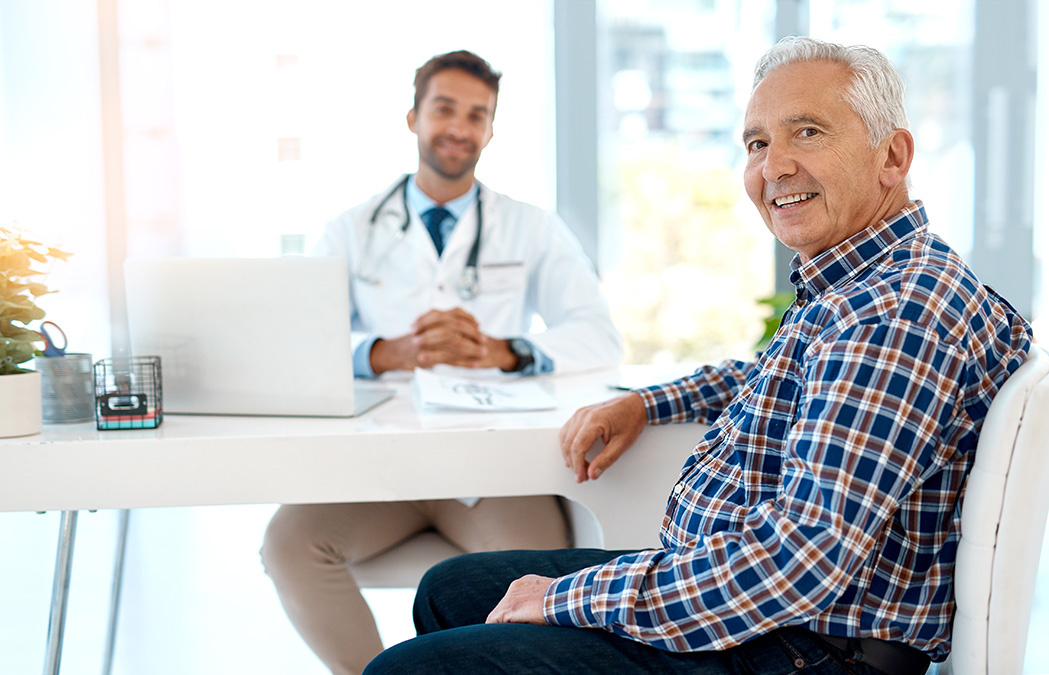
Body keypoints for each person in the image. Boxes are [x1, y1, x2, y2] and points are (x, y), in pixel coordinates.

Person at [362, 37, 1034, 675]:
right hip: (772, 613)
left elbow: (798, 561)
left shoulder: (892, 314)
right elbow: (778, 378)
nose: (774, 167)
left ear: (892, 157)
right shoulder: (865, 280)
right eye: (757, 143)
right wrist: (649, 400)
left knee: (407, 664)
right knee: (452, 587)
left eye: (807, 132)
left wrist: (569, 597)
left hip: (801, 646)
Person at [260, 50, 622, 675]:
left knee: (540, 580)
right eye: (445, 108)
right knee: (288, 545)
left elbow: (598, 337)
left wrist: (505, 351)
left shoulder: (529, 227)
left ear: (490, 130)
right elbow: (293, 343)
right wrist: (381, 353)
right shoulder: (351, 229)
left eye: (477, 115)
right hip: (381, 469)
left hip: (494, 473)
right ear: (413, 117)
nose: (459, 127)